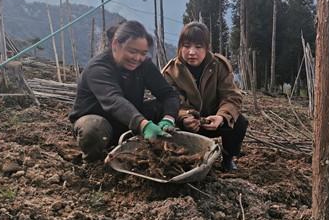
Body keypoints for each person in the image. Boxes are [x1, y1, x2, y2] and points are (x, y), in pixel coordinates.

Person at [69, 20, 179, 161]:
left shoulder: (144, 65)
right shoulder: (98, 68)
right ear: (116, 44)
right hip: (102, 123)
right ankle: (94, 164)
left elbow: (168, 94)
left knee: (164, 107)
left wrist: (168, 118)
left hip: (130, 121)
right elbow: (114, 101)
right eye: (132, 51)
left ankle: (161, 147)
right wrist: (144, 125)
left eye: (143, 53)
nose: (137, 58)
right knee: (93, 127)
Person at [162, 21, 248, 171]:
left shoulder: (219, 66)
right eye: (186, 46)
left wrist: (221, 117)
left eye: (198, 47)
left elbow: (232, 96)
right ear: (180, 47)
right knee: (169, 127)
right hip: (186, 125)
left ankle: (228, 159)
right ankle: (185, 158)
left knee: (239, 122)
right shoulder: (171, 72)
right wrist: (184, 117)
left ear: (207, 48)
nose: (192, 52)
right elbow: (173, 102)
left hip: (214, 121)